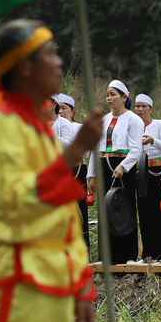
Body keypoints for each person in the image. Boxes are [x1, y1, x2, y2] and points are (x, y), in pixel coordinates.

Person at [0, 19, 101, 322]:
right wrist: (76, 151)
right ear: (25, 66)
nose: (59, 61)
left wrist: (83, 284)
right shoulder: (0, 125)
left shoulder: (37, 129)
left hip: (50, 281)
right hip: (17, 284)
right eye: (50, 53)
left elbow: (65, 217)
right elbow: (16, 203)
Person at [86, 80, 143, 264]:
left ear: (124, 97)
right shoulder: (104, 120)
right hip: (104, 166)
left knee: (124, 208)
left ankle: (128, 255)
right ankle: (106, 256)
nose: (109, 98)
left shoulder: (134, 119)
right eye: (107, 95)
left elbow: (136, 150)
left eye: (113, 94)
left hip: (122, 167)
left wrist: (123, 166)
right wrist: (92, 175)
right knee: (105, 210)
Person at [134, 94, 161, 262]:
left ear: (151, 109)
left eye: (144, 106)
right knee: (144, 211)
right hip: (141, 172)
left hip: (158, 170)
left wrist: (152, 140)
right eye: (137, 106)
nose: (140, 110)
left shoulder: (159, 124)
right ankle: (148, 253)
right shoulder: (133, 126)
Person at [58, 93, 91, 255]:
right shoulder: (53, 124)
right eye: (58, 107)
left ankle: (84, 250)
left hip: (77, 170)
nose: (61, 111)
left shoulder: (78, 128)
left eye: (64, 108)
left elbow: (84, 151)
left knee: (79, 209)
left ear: (73, 111)